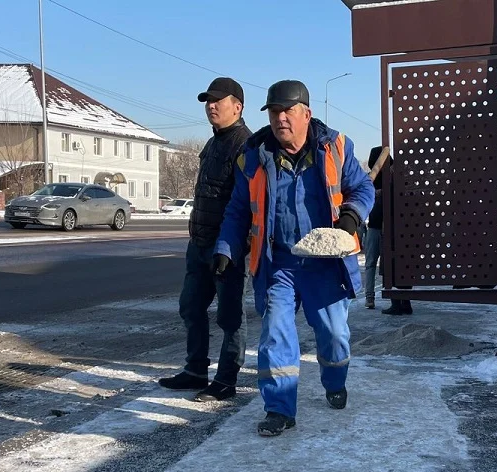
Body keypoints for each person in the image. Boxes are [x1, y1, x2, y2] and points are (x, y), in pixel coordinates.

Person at [213, 80, 375, 437]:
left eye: (288, 111)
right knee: (275, 334)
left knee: (334, 334)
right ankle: (279, 408)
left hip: (324, 262)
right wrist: (225, 249)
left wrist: (351, 217)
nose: (280, 118)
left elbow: (364, 187)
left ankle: (335, 381)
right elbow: (238, 210)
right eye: (274, 112)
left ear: (307, 114)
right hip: (279, 263)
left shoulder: (335, 147)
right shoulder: (254, 156)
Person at [158, 77, 253, 402]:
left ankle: (226, 380)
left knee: (229, 316)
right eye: (207, 101)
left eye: (218, 100)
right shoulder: (212, 143)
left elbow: (245, 206)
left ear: (237, 106)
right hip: (199, 244)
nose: (211, 106)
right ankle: (195, 370)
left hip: (227, 248)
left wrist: (232, 246)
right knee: (190, 307)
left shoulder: (245, 145)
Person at [362, 145, 387, 310]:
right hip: (377, 227)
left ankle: (371, 297)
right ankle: (370, 297)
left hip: (378, 227)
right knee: (373, 264)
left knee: (372, 264)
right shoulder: (369, 181)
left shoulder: (370, 180)